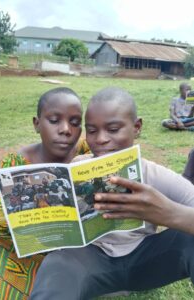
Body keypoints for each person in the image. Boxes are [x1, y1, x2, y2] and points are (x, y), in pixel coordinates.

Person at [30, 87, 194, 300]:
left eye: (113, 129)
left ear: (136, 127)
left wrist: (166, 212)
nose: (101, 139)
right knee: (56, 263)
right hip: (91, 264)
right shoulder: (77, 168)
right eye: (91, 130)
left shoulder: (152, 174)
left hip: (146, 262)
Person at [0, 87, 90, 300]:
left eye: (74, 122)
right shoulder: (16, 163)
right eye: (54, 120)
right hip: (13, 244)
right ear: (37, 124)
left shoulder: (87, 153)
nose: (65, 130)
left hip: (64, 249)